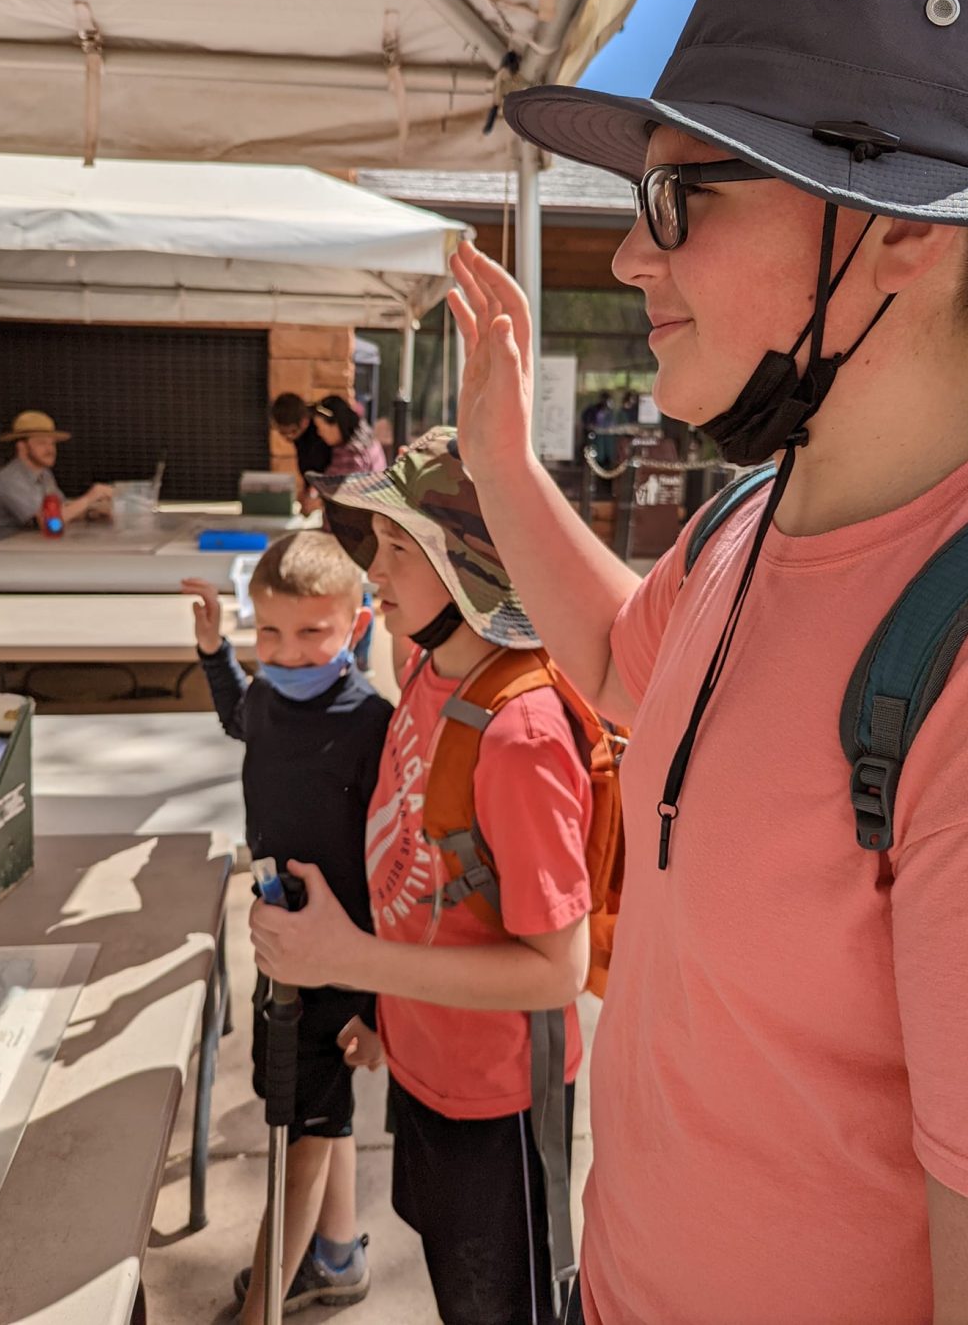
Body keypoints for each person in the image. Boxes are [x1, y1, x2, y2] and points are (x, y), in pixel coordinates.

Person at [444, 0, 968, 1325]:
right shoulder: (750, 517)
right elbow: (630, 670)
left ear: (903, 230)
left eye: (684, 196)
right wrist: (498, 456)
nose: (628, 260)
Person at [249, 429, 593, 1325]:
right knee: (453, 1283)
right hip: (423, 1066)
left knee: (503, 1303)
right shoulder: (426, 672)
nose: (375, 565)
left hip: (502, 1104)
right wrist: (386, 1016)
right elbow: (430, 880)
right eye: (381, 541)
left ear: (477, 565)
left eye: (404, 546)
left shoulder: (519, 737)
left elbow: (556, 969)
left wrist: (349, 961)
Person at [181, 532, 392, 1322]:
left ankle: (261, 1311)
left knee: (299, 1139)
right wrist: (214, 653)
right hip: (280, 950)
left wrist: (378, 999)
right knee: (322, 1113)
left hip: (338, 970)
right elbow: (241, 717)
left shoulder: (375, 724)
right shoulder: (265, 697)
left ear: (357, 626)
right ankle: (333, 1257)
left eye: (313, 632)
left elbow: (393, 869)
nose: (289, 652)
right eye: (269, 632)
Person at [0, 410, 114, 543]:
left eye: (52, 443)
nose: (50, 449)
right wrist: (90, 497)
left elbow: (61, 509)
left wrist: (93, 512)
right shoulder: (9, 479)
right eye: (42, 443)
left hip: (26, 548)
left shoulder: (45, 474)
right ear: (22, 447)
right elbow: (49, 522)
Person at [270, 392, 331, 517]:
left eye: (292, 432)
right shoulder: (300, 433)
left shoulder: (321, 431)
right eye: (282, 433)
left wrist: (315, 497)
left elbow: (325, 466)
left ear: (304, 422)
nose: (288, 438)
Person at [312, 395, 386, 475]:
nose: (319, 433)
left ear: (336, 425)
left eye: (321, 428)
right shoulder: (365, 437)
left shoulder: (353, 453)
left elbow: (334, 483)